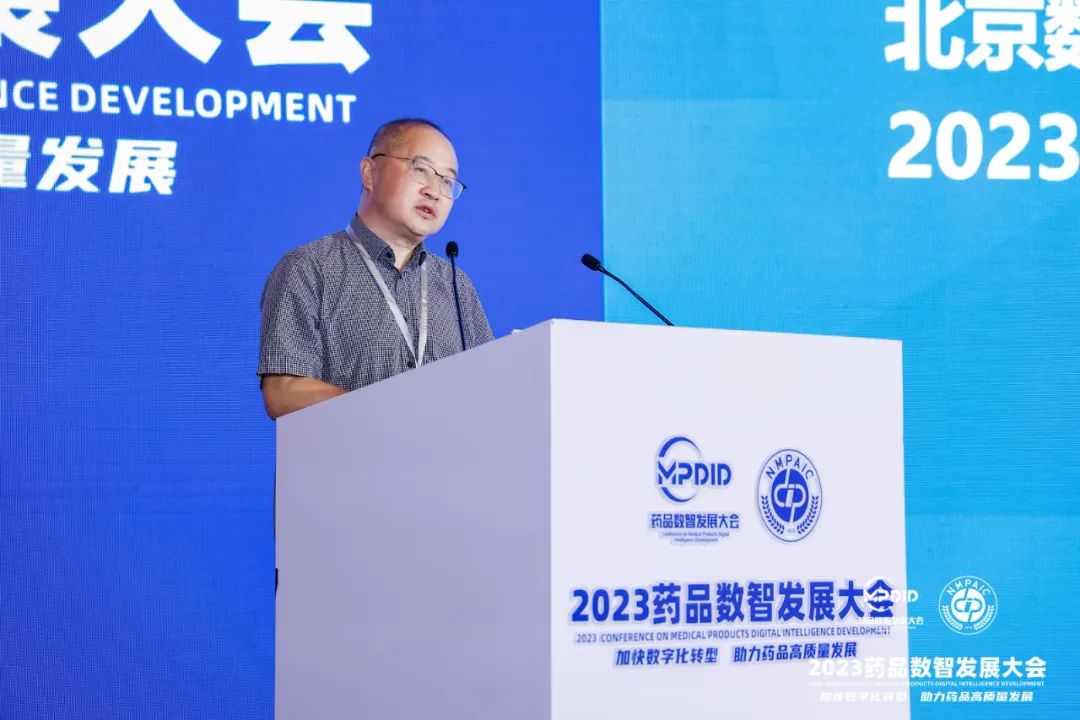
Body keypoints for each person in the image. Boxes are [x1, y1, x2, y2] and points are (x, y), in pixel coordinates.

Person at [257, 118, 494, 419]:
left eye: (447, 181)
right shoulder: (308, 269)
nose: (434, 191)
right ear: (370, 173)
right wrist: (390, 408)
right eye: (421, 169)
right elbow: (283, 393)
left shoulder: (456, 285)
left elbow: (489, 389)